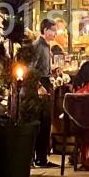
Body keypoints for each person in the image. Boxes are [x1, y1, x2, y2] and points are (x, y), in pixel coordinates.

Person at [30, 19, 57, 168]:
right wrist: (39, 86)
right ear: (45, 30)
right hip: (40, 85)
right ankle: (39, 158)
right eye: (53, 30)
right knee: (42, 122)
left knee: (46, 122)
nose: (55, 34)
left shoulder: (46, 47)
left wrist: (52, 71)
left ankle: (42, 157)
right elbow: (31, 68)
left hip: (45, 82)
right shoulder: (38, 46)